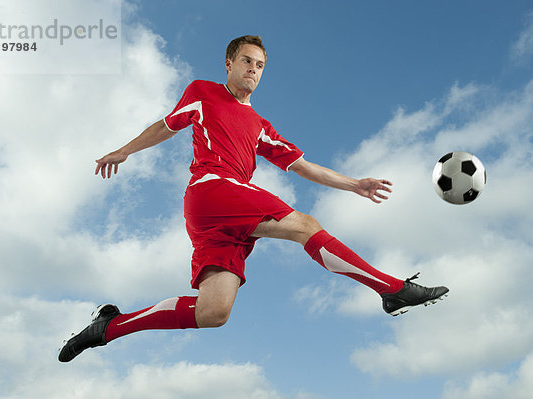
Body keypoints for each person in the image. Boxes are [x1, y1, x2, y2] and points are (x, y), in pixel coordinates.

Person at [58, 35, 448, 363]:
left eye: (260, 65)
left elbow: (303, 166)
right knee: (306, 226)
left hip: (224, 218)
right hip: (212, 190)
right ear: (228, 64)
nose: (253, 69)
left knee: (213, 312)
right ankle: (391, 289)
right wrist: (124, 150)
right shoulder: (203, 93)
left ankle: (109, 326)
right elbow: (165, 126)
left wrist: (354, 185)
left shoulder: (260, 126)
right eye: (246, 61)